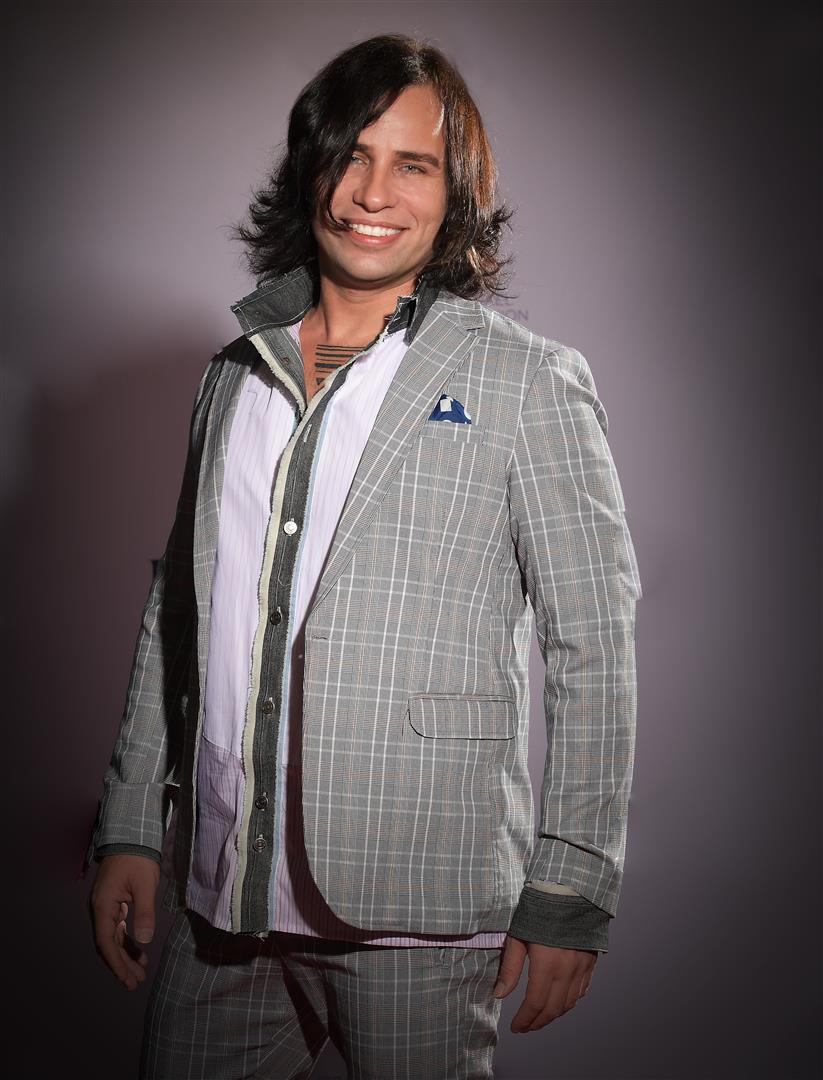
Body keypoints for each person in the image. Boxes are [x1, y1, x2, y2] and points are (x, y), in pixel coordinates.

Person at [85, 32, 642, 1080]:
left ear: (454, 192)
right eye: (349, 155)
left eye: (412, 165)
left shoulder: (529, 383)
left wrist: (571, 887)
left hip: (416, 904)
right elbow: (179, 614)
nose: (371, 193)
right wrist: (130, 825)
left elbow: (593, 646)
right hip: (224, 896)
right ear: (311, 169)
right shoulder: (230, 375)